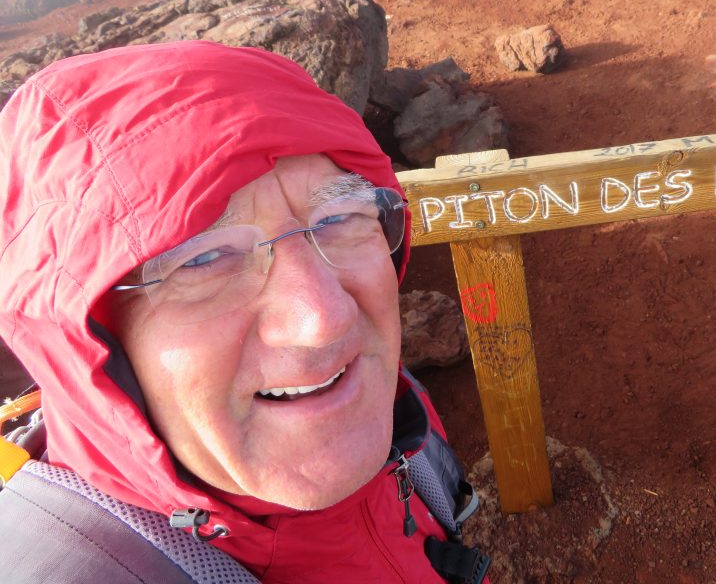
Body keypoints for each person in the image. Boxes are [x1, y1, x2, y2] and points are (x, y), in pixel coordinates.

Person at [0, 41, 488, 583]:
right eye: (204, 259)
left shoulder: (396, 412)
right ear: (89, 346)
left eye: (338, 217)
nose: (323, 317)